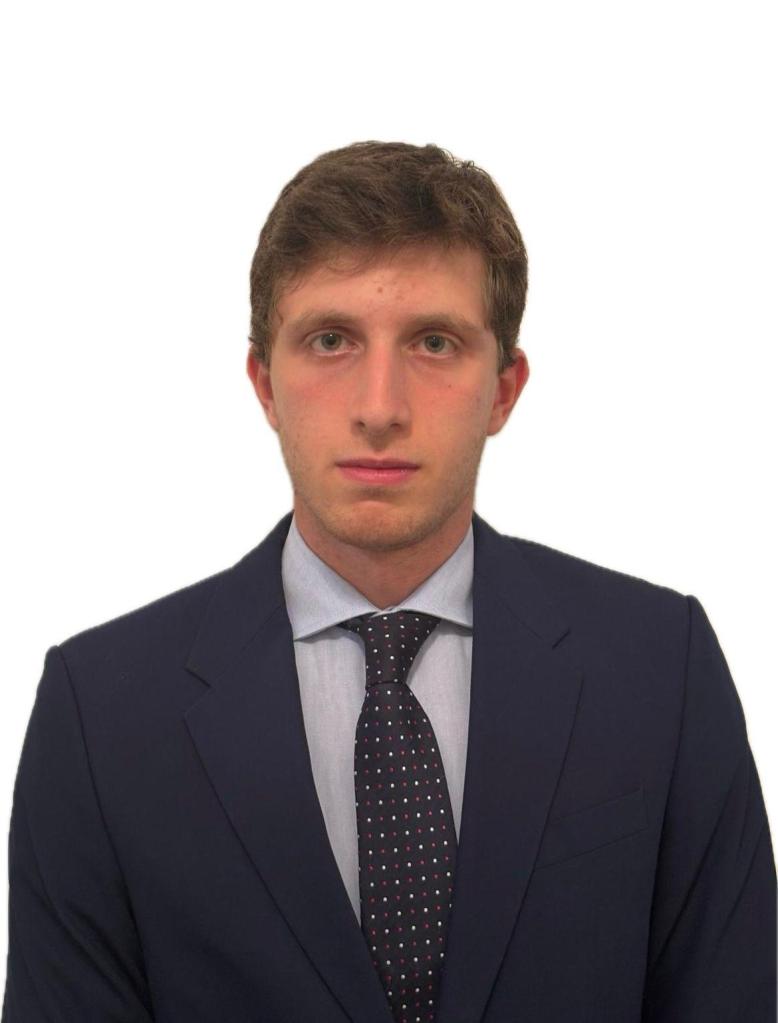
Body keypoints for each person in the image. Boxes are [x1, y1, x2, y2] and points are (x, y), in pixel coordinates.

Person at [2, 141, 775, 1023]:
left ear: (504, 389)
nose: (379, 407)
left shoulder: (660, 670)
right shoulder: (100, 714)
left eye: (434, 342)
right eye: (330, 340)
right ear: (264, 383)